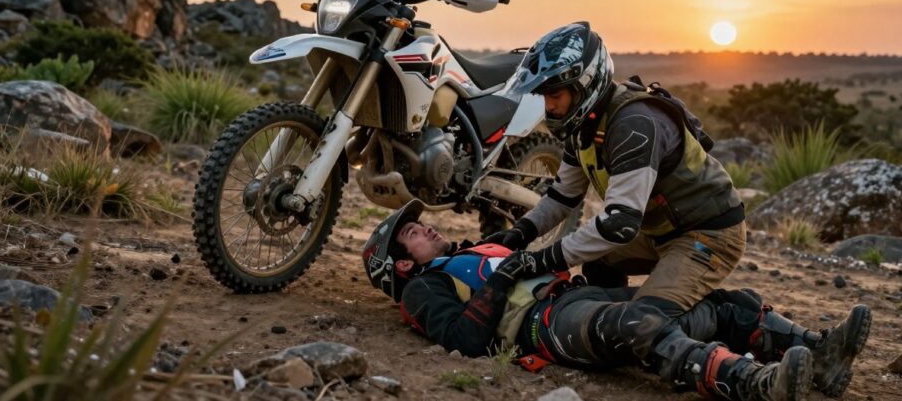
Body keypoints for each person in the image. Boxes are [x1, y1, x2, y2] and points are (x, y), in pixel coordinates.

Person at [362, 200, 872, 401]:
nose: (426, 225)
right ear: (401, 264)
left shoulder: (474, 250)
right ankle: (753, 383)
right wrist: (502, 282)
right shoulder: (424, 288)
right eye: (412, 231)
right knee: (633, 322)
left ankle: (820, 354)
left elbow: (536, 219)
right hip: (545, 326)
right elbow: (465, 340)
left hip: (575, 297)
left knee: (715, 304)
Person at [485, 21, 746, 319]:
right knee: (598, 264)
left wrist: (541, 260)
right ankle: (633, 313)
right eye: (544, 96)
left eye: (555, 95)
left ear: (584, 84)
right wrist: (518, 235)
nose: (550, 106)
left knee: (644, 319)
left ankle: (740, 315)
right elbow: (561, 198)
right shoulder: (583, 127)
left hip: (708, 233)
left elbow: (618, 224)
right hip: (660, 230)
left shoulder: (632, 124)